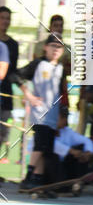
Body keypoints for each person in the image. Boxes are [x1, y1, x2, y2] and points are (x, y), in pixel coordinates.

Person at [13, 35, 68, 188]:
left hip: (53, 114)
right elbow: (15, 76)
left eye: (59, 46)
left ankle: (38, 179)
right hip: (39, 112)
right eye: (53, 45)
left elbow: (62, 93)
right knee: (40, 144)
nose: (56, 49)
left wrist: (62, 113)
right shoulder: (38, 64)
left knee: (46, 148)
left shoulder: (61, 68)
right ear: (45, 47)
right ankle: (28, 176)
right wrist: (28, 95)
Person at [0, 6, 19, 164]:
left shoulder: (13, 44)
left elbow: (13, 72)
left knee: (3, 132)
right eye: (2, 17)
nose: (5, 21)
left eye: (8, 18)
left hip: (5, 93)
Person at [54, 109, 93, 181]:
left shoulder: (67, 131)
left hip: (64, 166)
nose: (65, 120)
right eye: (63, 117)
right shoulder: (45, 131)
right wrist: (71, 151)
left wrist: (88, 153)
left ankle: (80, 179)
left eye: (66, 117)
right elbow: (51, 144)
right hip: (51, 166)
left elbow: (86, 141)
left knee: (80, 151)